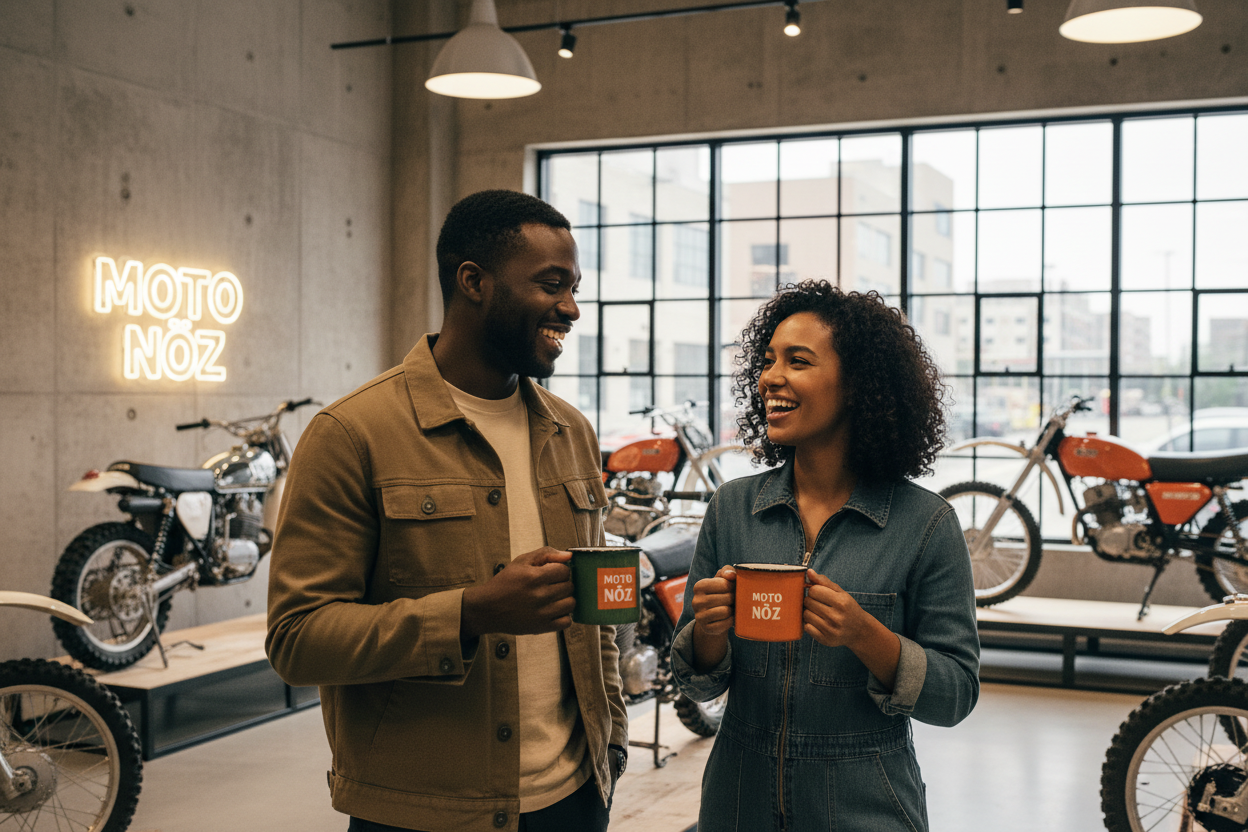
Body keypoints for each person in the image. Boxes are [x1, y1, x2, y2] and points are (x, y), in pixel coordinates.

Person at [266, 189, 629, 832]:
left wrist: (614, 740)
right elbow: (298, 641)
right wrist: (474, 612)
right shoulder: (353, 433)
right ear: (473, 282)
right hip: (423, 814)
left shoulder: (570, 431)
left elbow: (593, 612)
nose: (571, 309)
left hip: (576, 798)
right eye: (551, 285)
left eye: (574, 288)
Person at [670, 281, 980, 832]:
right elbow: (698, 685)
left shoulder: (925, 524)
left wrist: (864, 634)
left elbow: (954, 695)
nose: (771, 377)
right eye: (767, 361)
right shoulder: (733, 508)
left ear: (859, 384)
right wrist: (709, 633)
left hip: (867, 804)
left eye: (798, 361)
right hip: (737, 801)